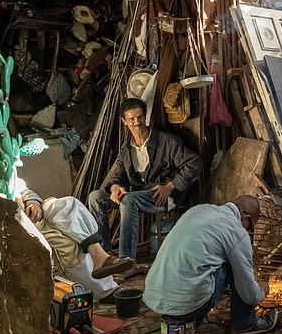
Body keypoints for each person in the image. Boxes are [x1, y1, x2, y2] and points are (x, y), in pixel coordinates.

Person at [0, 112, 133, 301]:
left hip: (27, 215)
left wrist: (33, 201)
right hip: (4, 225)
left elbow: (22, 187)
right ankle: (104, 279)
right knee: (68, 246)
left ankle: (101, 265)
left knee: (69, 204)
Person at [143, 195, 278, 334]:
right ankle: (245, 324)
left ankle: (191, 315)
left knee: (213, 259)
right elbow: (249, 293)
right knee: (233, 264)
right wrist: (261, 290)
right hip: (185, 303)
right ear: (246, 218)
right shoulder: (237, 231)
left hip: (155, 296)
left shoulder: (198, 210)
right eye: (250, 227)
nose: (248, 232)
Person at [87, 97, 203, 262]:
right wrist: (114, 187)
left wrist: (171, 185)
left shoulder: (167, 142)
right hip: (138, 195)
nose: (137, 122)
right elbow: (118, 174)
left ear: (145, 116)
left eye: (140, 117)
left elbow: (194, 163)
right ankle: (105, 255)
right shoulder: (127, 149)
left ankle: (126, 260)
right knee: (95, 197)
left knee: (129, 200)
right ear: (124, 121)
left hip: (162, 195)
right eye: (132, 119)